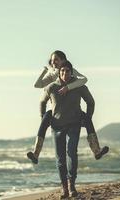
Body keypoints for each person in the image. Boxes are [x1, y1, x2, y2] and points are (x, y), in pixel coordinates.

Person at [27, 50, 108, 164]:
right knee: (45, 118)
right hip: (57, 111)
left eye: (56, 59)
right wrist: (45, 71)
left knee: (87, 118)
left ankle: (97, 151)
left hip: (73, 110)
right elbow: (38, 85)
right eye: (52, 60)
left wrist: (68, 87)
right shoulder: (52, 74)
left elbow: (84, 79)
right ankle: (35, 154)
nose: (53, 62)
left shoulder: (71, 71)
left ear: (63, 60)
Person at [40, 62, 94, 198]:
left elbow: (90, 101)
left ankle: (71, 185)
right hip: (56, 127)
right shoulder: (51, 87)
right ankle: (64, 187)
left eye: (68, 71)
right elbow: (42, 102)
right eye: (62, 71)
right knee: (60, 158)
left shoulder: (79, 87)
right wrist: (43, 118)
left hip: (74, 125)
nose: (65, 73)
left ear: (72, 72)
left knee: (71, 153)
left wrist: (87, 118)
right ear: (59, 72)